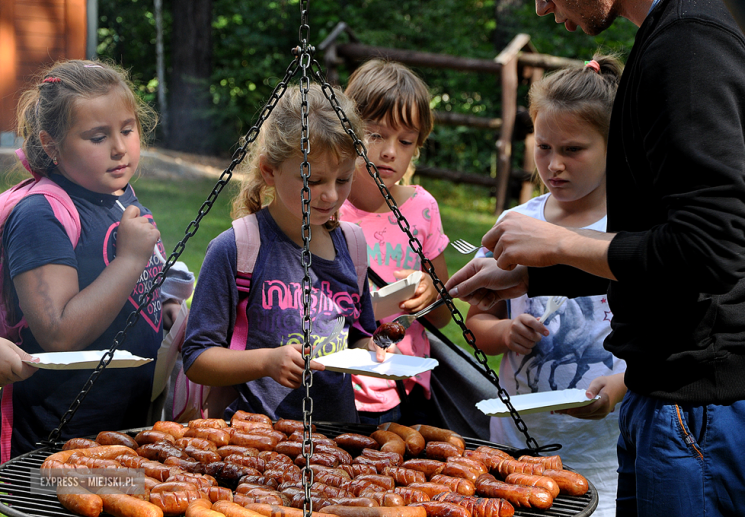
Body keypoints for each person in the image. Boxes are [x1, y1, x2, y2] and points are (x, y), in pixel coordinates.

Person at [447, 0, 745, 515]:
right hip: (684, 405)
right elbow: (670, 241)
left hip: (699, 409)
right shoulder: (681, 31)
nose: (541, 6)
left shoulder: (691, 42)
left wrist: (559, 243)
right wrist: (538, 274)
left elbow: (711, 248)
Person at [465, 55, 625, 517]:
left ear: (613, 146)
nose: (553, 165)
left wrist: (621, 385)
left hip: (604, 457)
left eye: (573, 150)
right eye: (542, 147)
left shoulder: (629, 232)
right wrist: (503, 334)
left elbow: (670, 334)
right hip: (518, 451)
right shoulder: (516, 223)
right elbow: (477, 319)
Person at [182, 85, 390, 424]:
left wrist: (374, 350)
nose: (330, 195)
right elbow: (196, 358)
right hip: (257, 441)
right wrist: (266, 362)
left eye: (344, 179)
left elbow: (360, 335)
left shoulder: (352, 247)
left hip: (336, 441)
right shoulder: (237, 248)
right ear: (269, 171)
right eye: (314, 180)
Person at [4, 59, 176, 458]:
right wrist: (130, 260)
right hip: (56, 444)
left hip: (124, 431)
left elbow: (131, 292)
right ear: (52, 146)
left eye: (127, 130)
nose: (119, 148)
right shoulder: (40, 214)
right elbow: (57, 332)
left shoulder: (120, 195)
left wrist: (164, 303)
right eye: (97, 137)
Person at [340, 59, 451, 425]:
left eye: (405, 141)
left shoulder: (422, 209)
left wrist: (429, 292)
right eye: (375, 135)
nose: (390, 151)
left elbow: (443, 314)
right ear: (349, 131)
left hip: (401, 386)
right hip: (337, 383)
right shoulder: (328, 206)